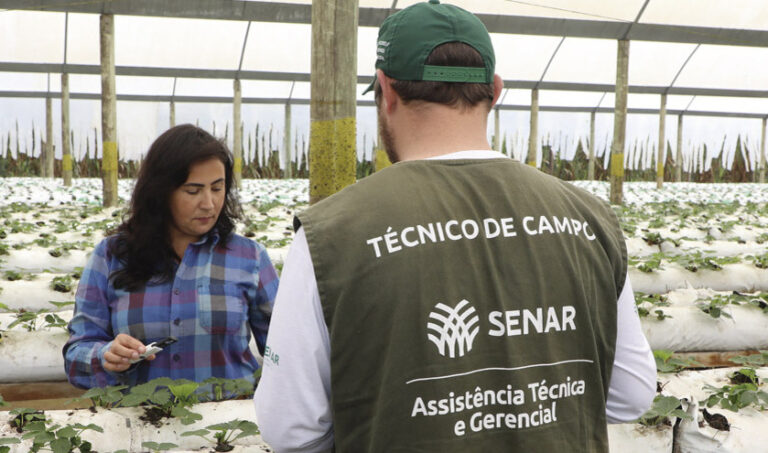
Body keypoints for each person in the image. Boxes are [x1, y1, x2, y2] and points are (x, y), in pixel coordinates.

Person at [253, 1, 656, 451]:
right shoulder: (591, 218)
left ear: (386, 90)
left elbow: (291, 428)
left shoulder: (331, 233)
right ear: (496, 90)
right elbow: (631, 396)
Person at [64, 124, 278, 389]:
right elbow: (76, 356)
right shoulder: (111, 256)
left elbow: (286, 352)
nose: (209, 203)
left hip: (227, 421)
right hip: (138, 424)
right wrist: (104, 355)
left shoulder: (250, 258)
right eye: (193, 190)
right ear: (161, 191)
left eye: (217, 188)